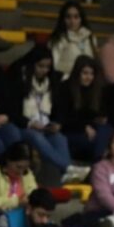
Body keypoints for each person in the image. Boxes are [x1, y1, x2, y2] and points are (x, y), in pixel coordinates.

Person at [11, 46, 84, 181]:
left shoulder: (52, 81)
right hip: (25, 127)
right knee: (36, 137)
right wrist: (30, 123)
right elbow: (12, 112)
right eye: (40, 66)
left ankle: (66, 175)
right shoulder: (19, 79)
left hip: (45, 126)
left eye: (47, 67)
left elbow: (59, 109)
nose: (44, 70)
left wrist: (57, 123)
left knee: (60, 138)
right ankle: (68, 168)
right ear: (32, 64)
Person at [54, 56, 113, 164]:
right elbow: (63, 118)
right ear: (77, 73)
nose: (89, 77)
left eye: (91, 74)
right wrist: (84, 127)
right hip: (71, 131)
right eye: (85, 73)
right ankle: (99, 164)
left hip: (92, 130)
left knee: (106, 129)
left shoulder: (96, 89)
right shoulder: (65, 88)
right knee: (97, 141)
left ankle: (98, 162)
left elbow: (96, 114)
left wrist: (99, 120)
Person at [49, 1, 97, 77]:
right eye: (68, 17)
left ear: (81, 19)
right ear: (63, 19)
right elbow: (55, 66)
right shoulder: (58, 39)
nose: (72, 21)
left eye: (76, 17)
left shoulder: (90, 38)